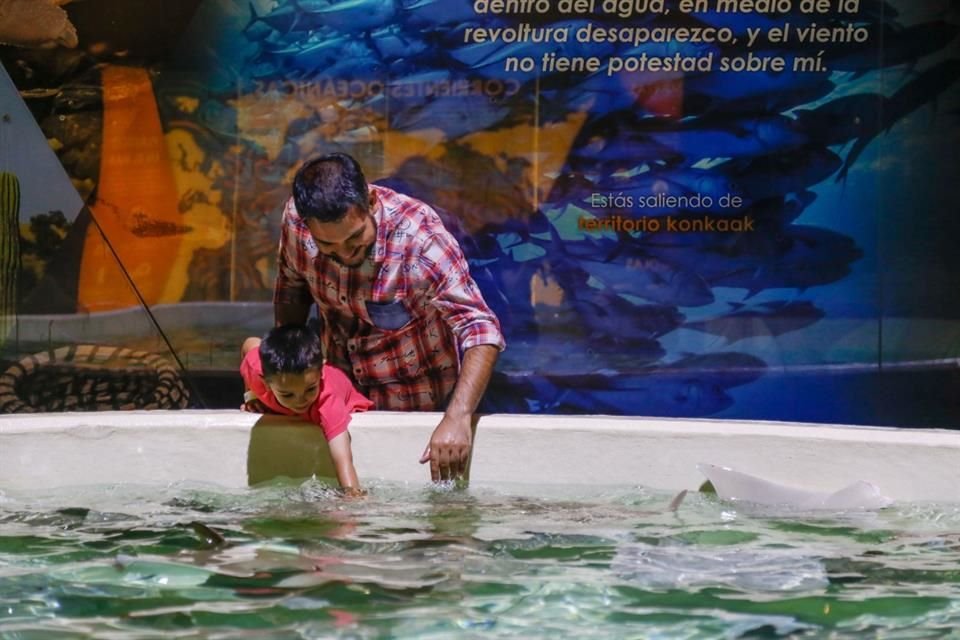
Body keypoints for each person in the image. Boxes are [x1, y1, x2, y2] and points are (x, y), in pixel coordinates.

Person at [273, 152, 505, 482]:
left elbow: (480, 328)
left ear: (370, 200)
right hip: (342, 398)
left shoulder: (421, 240)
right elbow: (291, 288)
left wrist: (457, 417)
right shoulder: (296, 222)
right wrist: (287, 373)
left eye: (355, 238)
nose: (344, 253)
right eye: (328, 245)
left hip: (421, 404)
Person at [240, 323, 373, 494]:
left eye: (310, 389)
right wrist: (251, 396)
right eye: (287, 395)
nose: (301, 401)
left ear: (321, 371)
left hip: (346, 400)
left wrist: (352, 500)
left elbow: (343, 459)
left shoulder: (327, 401)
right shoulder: (257, 371)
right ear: (265, 381)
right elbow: (249, 344)